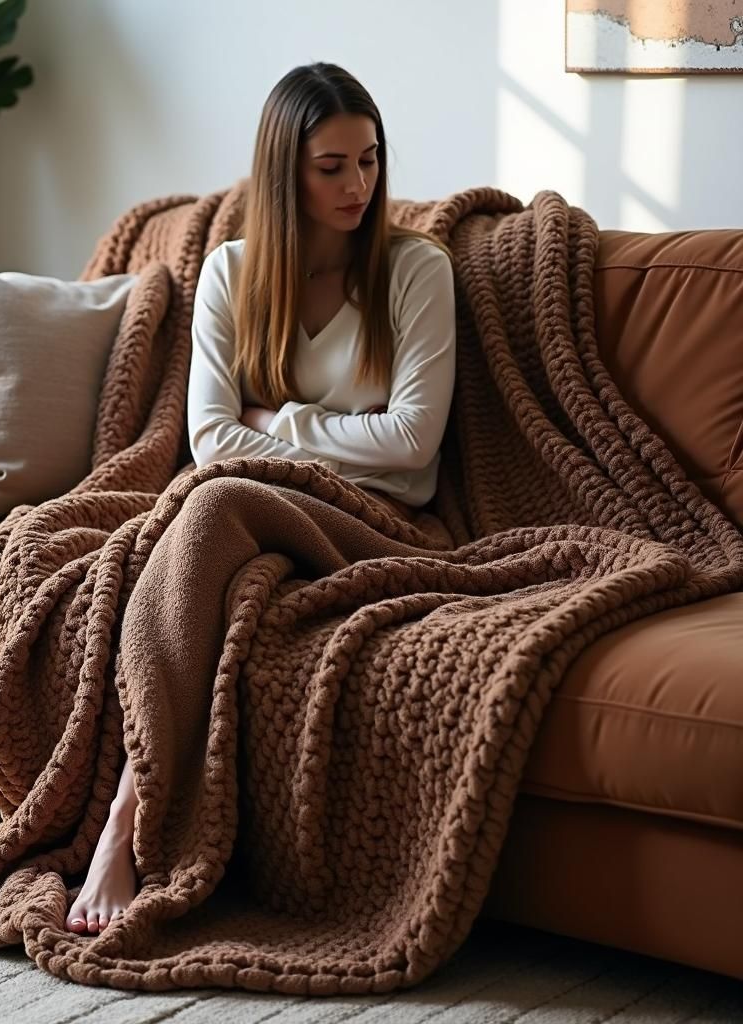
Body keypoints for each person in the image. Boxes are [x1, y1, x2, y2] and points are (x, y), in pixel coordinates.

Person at [64, 61, 457, 936]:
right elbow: (208, 438)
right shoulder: (231, 275)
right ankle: (137, 814)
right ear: (285, 171)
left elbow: (414, 450)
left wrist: (275, 421)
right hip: (252, 507)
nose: (359, 184)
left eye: (370, 160)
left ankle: (125, 825)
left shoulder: (415, 272)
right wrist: (323, 435)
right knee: (209, 511)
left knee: (208, 508)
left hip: (384, 525)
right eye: (332, 166)